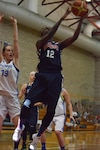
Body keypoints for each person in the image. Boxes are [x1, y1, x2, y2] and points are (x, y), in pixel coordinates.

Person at [12, 8, 87, 150]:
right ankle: (19, 127)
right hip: (43, 75)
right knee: (27, 103)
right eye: (47, 33)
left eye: (50, 33)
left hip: (55, 78)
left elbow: (75, 37)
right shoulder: (40, 44)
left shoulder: (58, 46)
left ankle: (37, 137)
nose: (50, 34)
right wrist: (62, 17)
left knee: (51, 111)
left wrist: (81, 20)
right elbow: (51, 32)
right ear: (44, 36)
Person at [0, 15, 20, 135]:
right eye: (8, 50)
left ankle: (18, 146)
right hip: (1, 96)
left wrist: (15, 24)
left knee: (18, 126)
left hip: (12, 97)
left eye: (12, 50)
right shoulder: (1, 62)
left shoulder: (15, 62)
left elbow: (16, 41)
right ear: (3, 53)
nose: (11, 52)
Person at [18, 71, 38, 150]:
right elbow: (19, 96)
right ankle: (23, 144)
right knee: (24, 127)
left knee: (32, 128)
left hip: (33, 109)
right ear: (29, 76)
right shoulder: (25, 86)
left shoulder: (38, 87)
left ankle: (31, 144)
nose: (33, 76)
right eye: (32, 75)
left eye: (34, 75)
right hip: (25, 109)